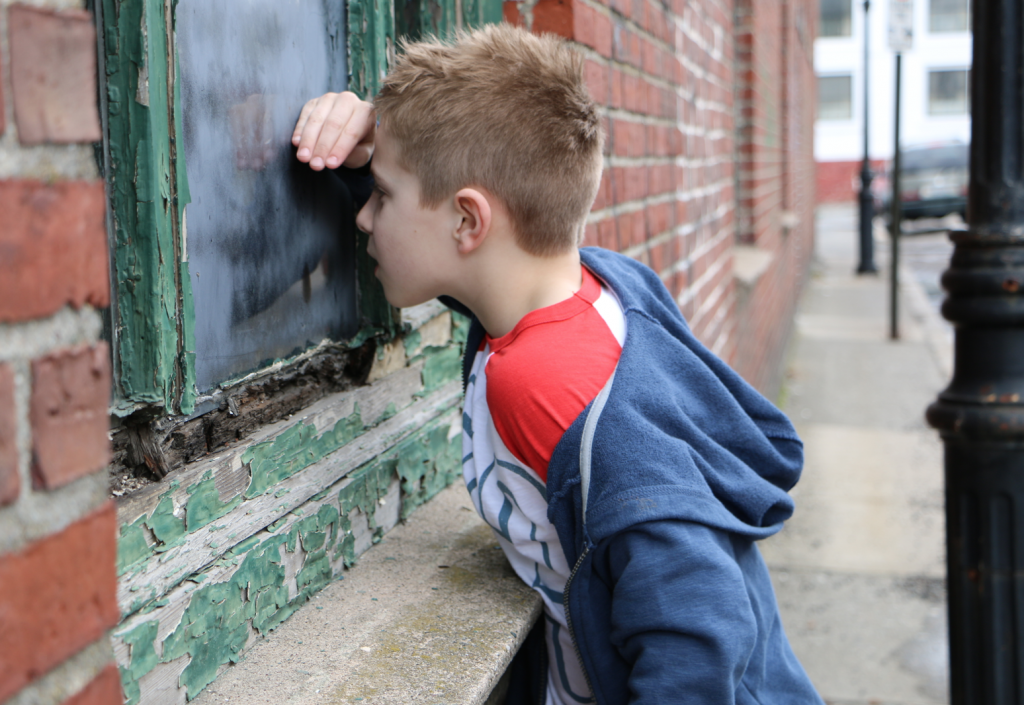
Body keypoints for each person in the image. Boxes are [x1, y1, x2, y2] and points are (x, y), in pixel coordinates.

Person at [292, 23, 823, 705]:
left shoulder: (544, 381)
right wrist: (372, 153)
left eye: (383, 196)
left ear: (467, 222)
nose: (364, 217)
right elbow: (462, 268)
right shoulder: (589, 286)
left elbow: (699, 618)